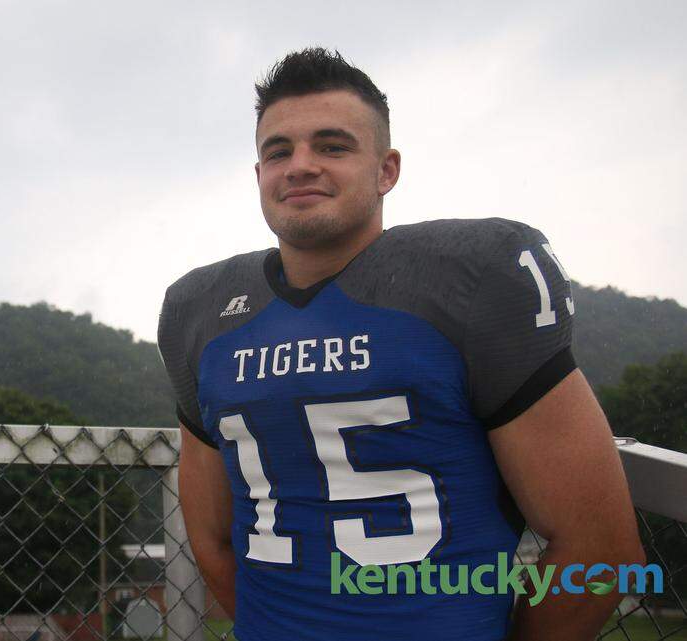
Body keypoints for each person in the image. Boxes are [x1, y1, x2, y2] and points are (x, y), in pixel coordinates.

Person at [156, 47, 644, 641]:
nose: (300, 165)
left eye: (332, 146)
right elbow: (210, 538)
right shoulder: (201, 313)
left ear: (387, 170)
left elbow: (602, 552)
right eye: (277, 151)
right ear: (258, 174)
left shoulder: (470, 282)